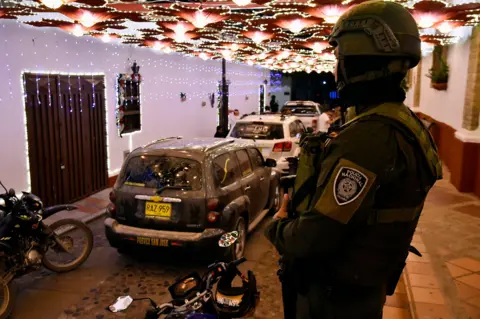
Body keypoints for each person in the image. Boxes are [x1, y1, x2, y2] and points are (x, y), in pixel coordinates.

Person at [265, 1, 443, 319]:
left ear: (360, 64)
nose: (336, 72)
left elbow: (312, 238)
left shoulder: (369, 137)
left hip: (336, 299)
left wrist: (277, 226)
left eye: (341, 60)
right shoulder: (405, 122)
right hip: (363, 286)